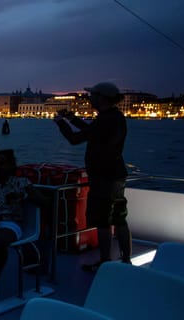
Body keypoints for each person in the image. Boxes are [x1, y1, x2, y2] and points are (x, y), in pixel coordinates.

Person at [54, 81, 130, 272]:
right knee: (120, 218)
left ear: (102, 98)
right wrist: (72, 118)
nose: (90, 98)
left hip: (103, 177)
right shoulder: (115, 117)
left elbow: (76, 138)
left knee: (103, 220)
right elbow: (90, 131)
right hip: (116, 174)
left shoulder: (105, 120)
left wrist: (61, 123)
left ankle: (105, 261)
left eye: (93, 95)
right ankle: (126, 259)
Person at [0, 149, 45, 300]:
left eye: (2, 163)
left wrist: (23, 195)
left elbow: (43, 202)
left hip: (11, 223)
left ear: (11, 166)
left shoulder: (21, 183)